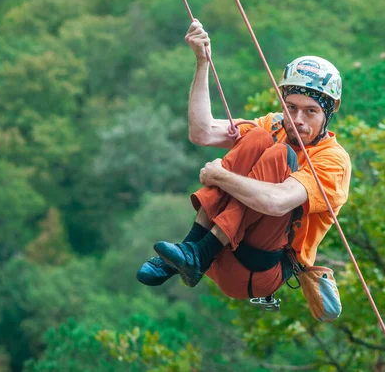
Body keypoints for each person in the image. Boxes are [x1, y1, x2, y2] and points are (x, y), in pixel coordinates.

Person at [137, 19, 351, 299]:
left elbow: (276, 202)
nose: (297, 120)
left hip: (257, 268)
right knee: (259, 138)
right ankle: (190, 250)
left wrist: (219, 176)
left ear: (327, 115)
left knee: (280, 154)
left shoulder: (332, 160)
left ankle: (199, 250)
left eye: (310, 111)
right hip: (221, 255)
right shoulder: (274, 125)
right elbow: (202, 132)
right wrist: (202, 63)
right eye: (291, 108)